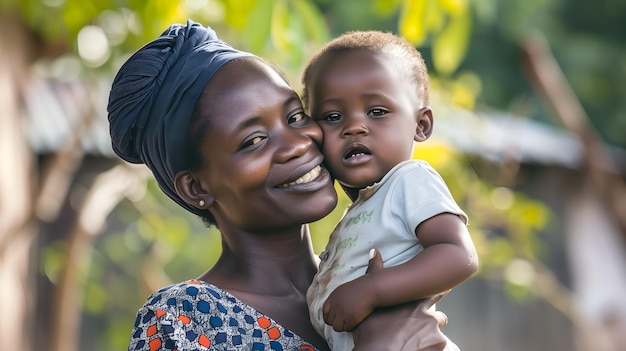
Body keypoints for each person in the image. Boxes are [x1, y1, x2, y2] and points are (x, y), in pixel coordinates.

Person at [108, 20, 453, 351]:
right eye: (254, 140)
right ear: (196, 187)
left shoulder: (375, 276)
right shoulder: (183, 321)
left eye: (295, 117)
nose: (298, 144)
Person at [302, 30, 479, 350]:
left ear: (421, 125)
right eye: (332, 116)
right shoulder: (358, 213)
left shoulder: (410, 180)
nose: (354, 126)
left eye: (377, 111)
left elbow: (458, 255)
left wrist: (374, 289)